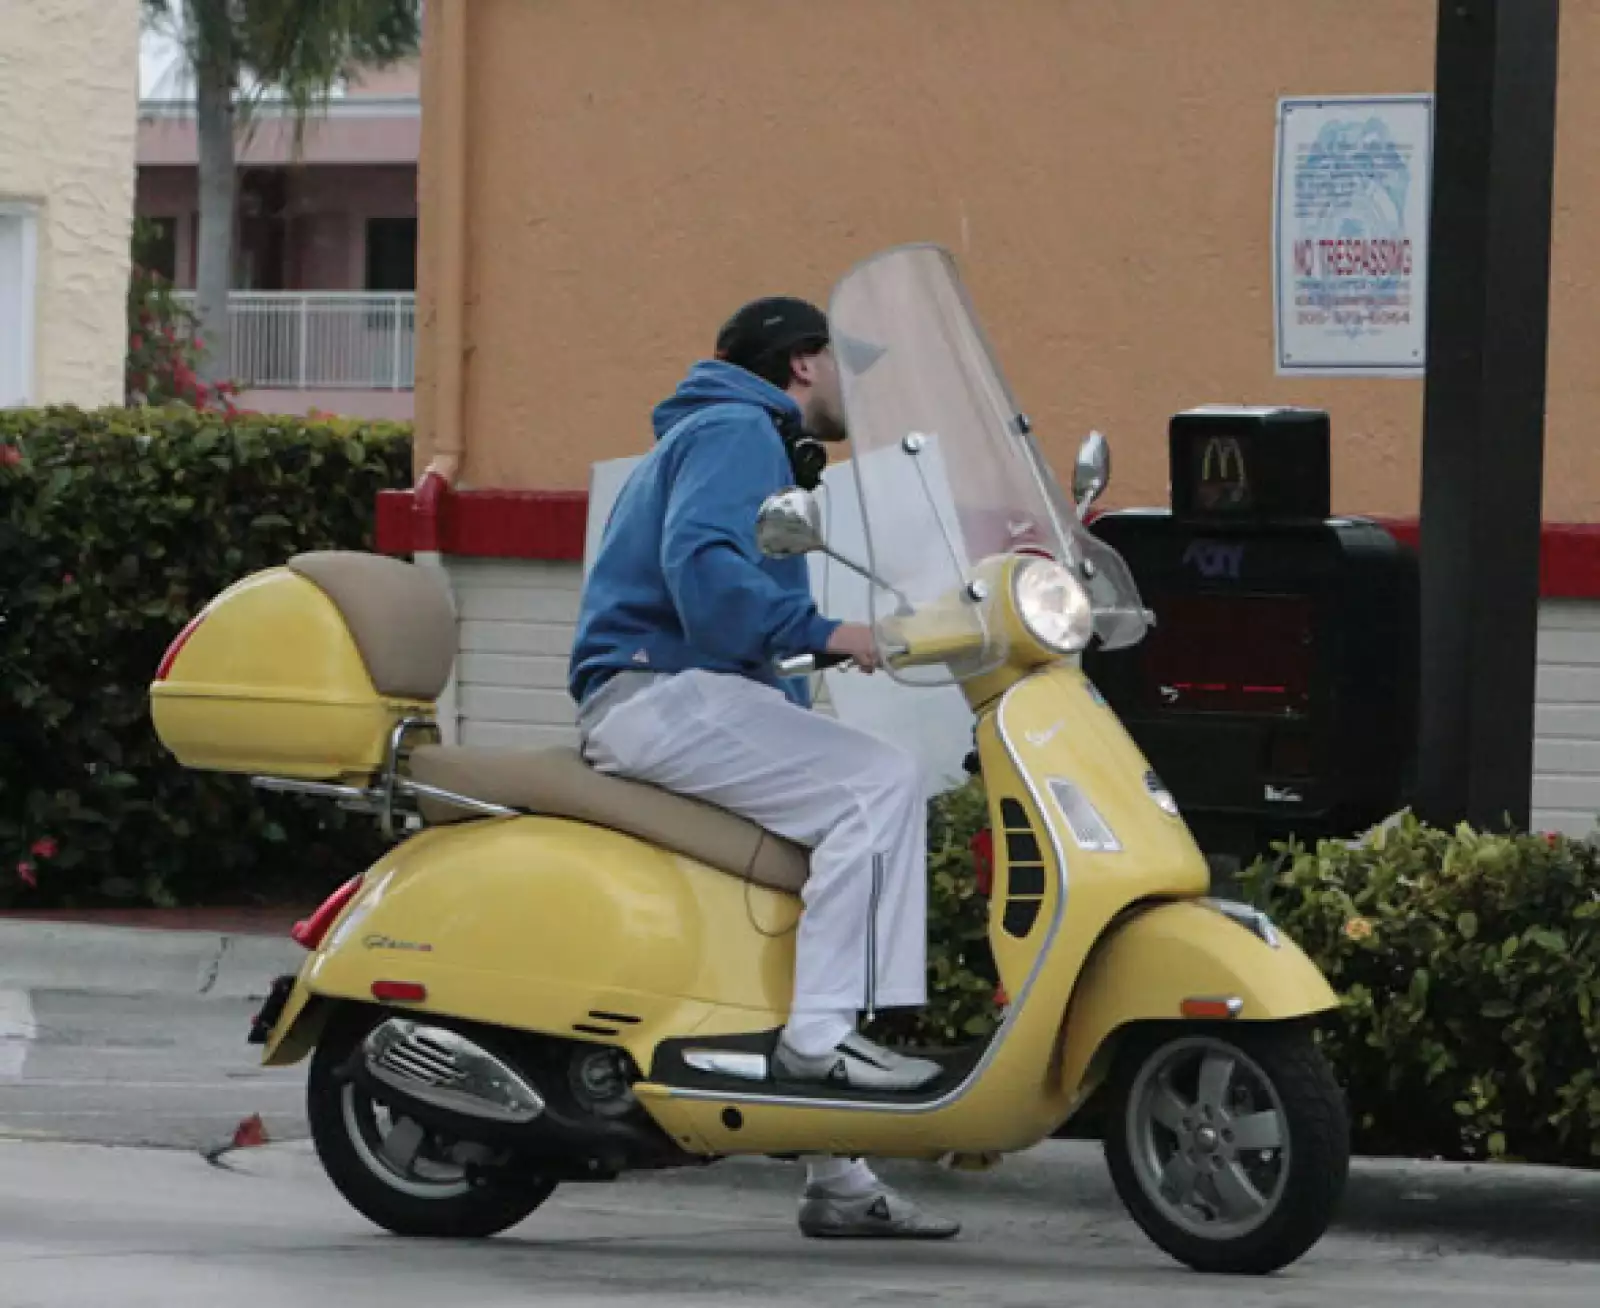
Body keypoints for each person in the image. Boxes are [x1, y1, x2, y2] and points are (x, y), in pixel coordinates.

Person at [568, 294, 959, 1240]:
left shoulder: (737, 436)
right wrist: (826, 630)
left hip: (676, 691)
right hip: (659, 690)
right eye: (847, 367)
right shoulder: (737, 428)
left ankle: (837, 1174)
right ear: (803, 363)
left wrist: (815, 640)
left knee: (801, 887)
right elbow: (703, 570)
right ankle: (822, 1043)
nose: (857, 390)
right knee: (878, 783)